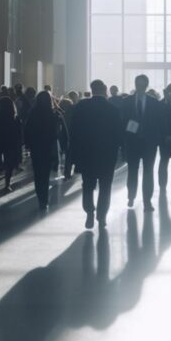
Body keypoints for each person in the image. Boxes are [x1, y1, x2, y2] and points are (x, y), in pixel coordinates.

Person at [70, 79, 123, 229]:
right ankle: (102, 215)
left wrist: (74, 154)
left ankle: (89, 213)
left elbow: (74, 132)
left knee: (87, 186)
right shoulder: (113, 109)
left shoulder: (81, 107)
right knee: (105, 187)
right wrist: (119, 150)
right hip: (107, 155)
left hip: (87, 154)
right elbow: (118, 134)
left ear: (92, 90)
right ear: (105, 89)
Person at [120, 74, 163, 211]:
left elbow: (158, 123)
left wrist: (157, 140)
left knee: (148, 172)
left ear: (146, 85)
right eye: (138, 84)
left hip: (149, 143)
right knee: (132, 171)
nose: (140, 87)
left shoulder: (154, 103)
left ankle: (147, 202)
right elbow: (122, 122)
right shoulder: (126, 102)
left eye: (143, 84)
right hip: (132, 142)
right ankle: (131, 197)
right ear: (135, 84)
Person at [25, 90, 67, 210]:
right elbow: (61, 132)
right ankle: (44, 197)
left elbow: (27, 130)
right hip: (49, 147)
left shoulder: (33, 114)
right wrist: (64, 147)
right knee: (46, 174)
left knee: (38, 174)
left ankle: (41, 198)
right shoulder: (54, 114)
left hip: (36, 148)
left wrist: (28, 144)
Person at [0, 96, 22, 193]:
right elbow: (19, 132)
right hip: (11, 142)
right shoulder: (15, 118)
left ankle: (0, 166)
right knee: (9, 163)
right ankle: (7, 183)